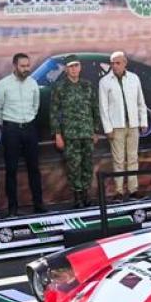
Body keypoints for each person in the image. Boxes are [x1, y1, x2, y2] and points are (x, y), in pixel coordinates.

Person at [0, 53, 45, 216]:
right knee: (11, 170)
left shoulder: (33, 83)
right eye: (22, 66)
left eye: (28, 66)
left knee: (34, 168)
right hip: (11, 130)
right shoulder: (3, 84)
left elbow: (36, 105)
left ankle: (38, 204)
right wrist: (8, 124)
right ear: (14, 66)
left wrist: (28, 119)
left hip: (29, 128)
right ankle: (13, 208)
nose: (26, 69)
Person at [52, 58, 103, 208]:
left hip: (87, 133)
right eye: (71, 67)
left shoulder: (87, 85)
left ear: (80, 67)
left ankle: (86, 196)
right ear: (66, 69)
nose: (74, 69)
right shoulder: (60, 87)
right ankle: (77, 197)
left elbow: (95, 109)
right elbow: (54, 113)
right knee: (74, 167)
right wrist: (57, 134)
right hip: (70, 134)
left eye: (76, 66)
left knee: (87, 165)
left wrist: (95, 131)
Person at [98, 51, 149, 201]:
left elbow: (141, 102)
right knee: (118, 160)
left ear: (125, 63)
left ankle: (133, 190)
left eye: (117, 63)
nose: (114, 66)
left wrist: (143, 121)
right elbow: (103, 107)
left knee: (133, 158)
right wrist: (107, 128)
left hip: (133, 125)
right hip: (116, 127)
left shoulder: (134, 79)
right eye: (112, 63)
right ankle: (119, 192)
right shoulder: (105, 82)